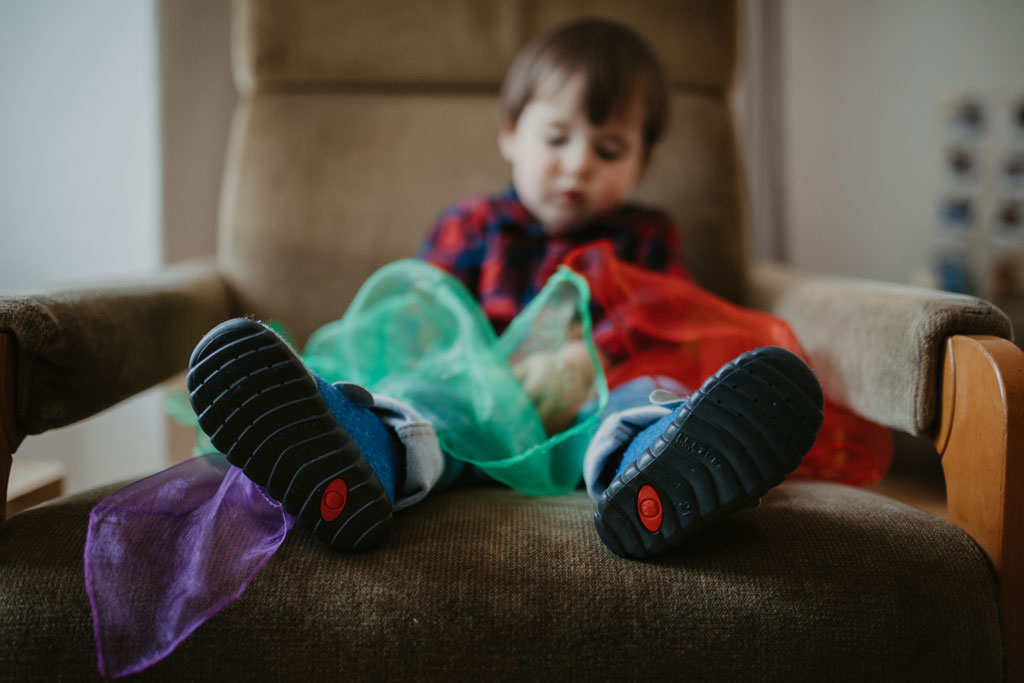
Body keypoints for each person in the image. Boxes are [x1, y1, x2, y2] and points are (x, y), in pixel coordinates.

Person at [184, 18, 824, 561]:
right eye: (556, 139)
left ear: (644, 162)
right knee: (419, 397)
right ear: (511, 132)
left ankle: (657, 477)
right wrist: (497, 370)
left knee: (642, 397)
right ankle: (354, 463)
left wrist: (584, 359)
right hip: (478, 404)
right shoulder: (472, 225)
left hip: (582, 407)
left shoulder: (646, 235)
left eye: (608, 149)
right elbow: (422, 317)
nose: (577, 164)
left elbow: (673, 322)